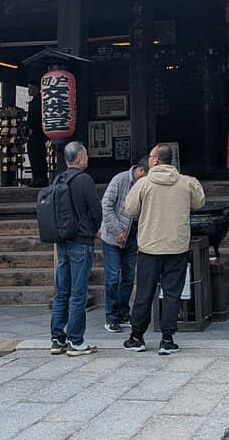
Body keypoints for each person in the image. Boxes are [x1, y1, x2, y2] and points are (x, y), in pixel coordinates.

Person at [123, 142, 205, 355]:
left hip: (150, 247)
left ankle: (137, 337)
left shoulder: (143, 184)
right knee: (172, 293)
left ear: (156, 160)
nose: (149, 159)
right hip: (176, 246)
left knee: (144, 293)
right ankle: (167, 339)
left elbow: (130, 209)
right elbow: (199, 203)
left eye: (151, 156)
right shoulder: (186, 182)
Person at [49, 140, 102, 356]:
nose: (88, 158)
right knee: (78, 293)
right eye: (86, 154)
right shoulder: (84, 180)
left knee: (62, 292)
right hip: (81, 241)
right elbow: (96, 211)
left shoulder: (58, 179)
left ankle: (56, 338)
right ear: (79, 158)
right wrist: (93, 229)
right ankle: (75, 340)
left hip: (62, 240)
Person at [100, 155, 148, 333]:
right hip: (113, 235)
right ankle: (110, 316)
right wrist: (117, 230)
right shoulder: (120, 180)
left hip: (133, 235)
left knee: (128, 277)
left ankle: (123, 312)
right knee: (113, 276)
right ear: (140, 170)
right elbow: (106, 205)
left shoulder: (145, 184)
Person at [26, 82, 48, 188]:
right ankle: (40, 178)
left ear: (36, 88)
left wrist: (30, 128)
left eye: (30, 88)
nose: (28, 90)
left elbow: (35, 119)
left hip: (36, 133)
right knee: (39, 156)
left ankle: (38, 178)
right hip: (40, 134)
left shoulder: (37, 102)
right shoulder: (40, 100)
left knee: (36, 156)